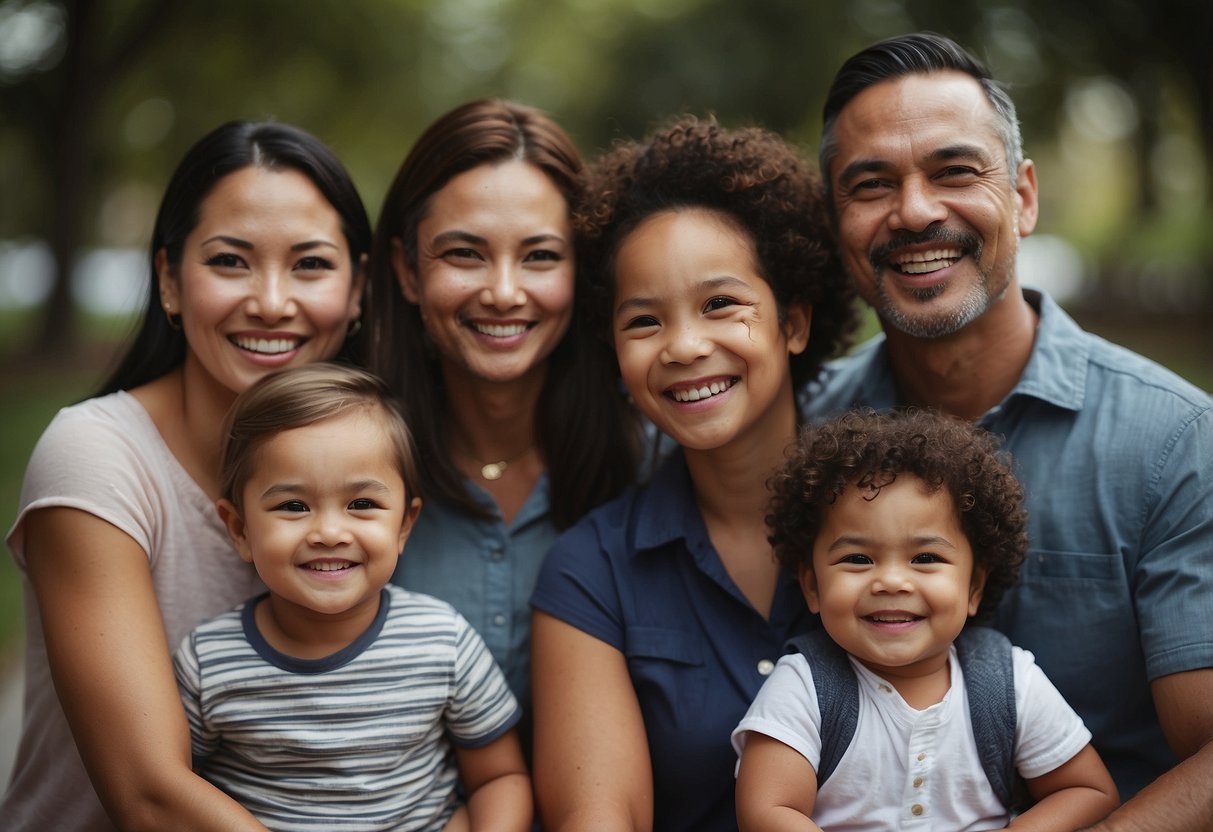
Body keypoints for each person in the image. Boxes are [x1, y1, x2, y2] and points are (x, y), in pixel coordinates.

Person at [803, 31, 1213, 829]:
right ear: (835, 225)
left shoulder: (1173, 443)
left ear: (1022, 195)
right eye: (870, 185)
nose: (915, 211)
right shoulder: (803, 434)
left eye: (954, 171)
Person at [4, 120, 371, 831]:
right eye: (231, 262)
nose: (270, 301)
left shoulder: (375, 462)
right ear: (169, 280)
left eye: (310, 265)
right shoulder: (98, 456)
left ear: (357, 291)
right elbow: (150, 796)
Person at [529, 115, 858, 832]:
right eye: (643, 322)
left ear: (793, 323)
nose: (682, 346)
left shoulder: (909, 520)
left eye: (719, 305)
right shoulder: (589, 574)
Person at [363, 99, 642, 715]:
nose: (504, 292)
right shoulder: (344, 469)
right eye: (464, 254)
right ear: (407, 271)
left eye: (541, 256)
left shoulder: (654, 460)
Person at [174, 363, 531, 832]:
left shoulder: (442, 642)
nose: (327, 532)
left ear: (404, 524)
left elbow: (500, 778)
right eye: (293, 506)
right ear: (239, 529)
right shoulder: (208, 663)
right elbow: (176, 797)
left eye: (361, 504)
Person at [733, 408, 1119, 831]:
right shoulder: (804, 687)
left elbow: (1088, 790)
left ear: (974, 587)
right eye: (858, 559)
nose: (892, 581)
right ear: (812, 586)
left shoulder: (1009, 683)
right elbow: (767, 810)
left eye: (925, 558)